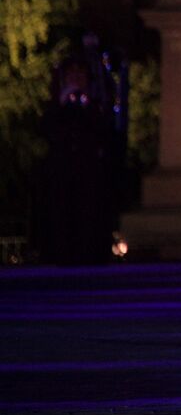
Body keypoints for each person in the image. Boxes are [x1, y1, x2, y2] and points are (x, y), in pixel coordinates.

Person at [41, 57, 111, 264]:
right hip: (61, 173)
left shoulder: (95, 105)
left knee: (88, 218)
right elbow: (48, 131)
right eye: (71, 74)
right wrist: (61, 104)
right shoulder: (56, 105)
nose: (76, 79)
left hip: (88, 174)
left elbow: (102, 133)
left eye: (80, 74)